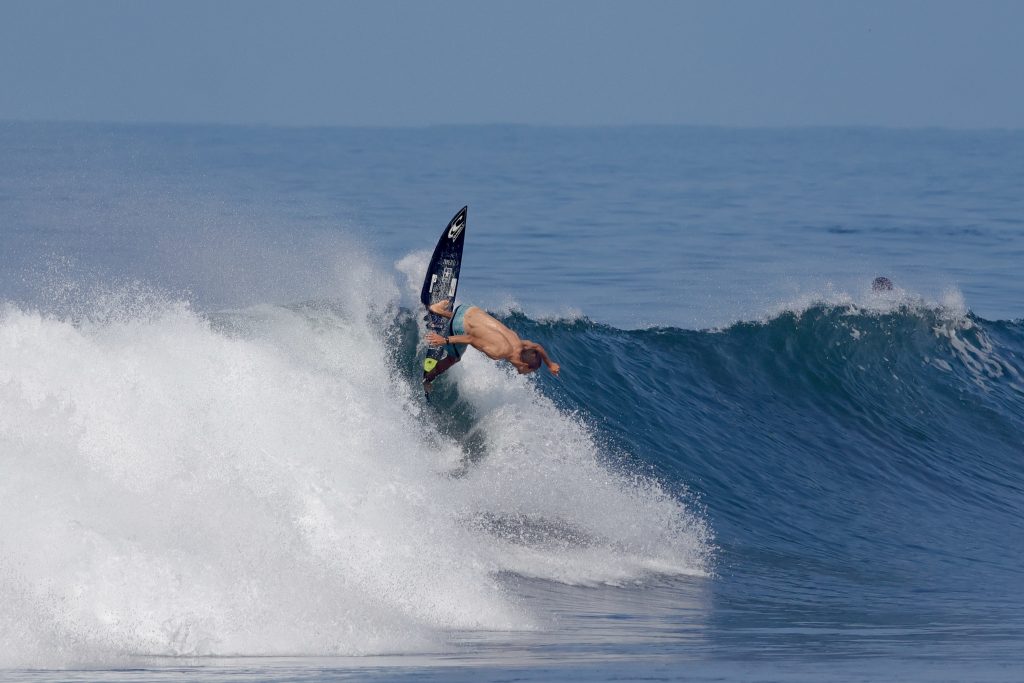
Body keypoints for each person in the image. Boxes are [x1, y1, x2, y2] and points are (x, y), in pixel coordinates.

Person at [423, 299, 560, 385]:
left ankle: (439, 310)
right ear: (525, 365)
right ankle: (427, 379)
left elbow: (537, 347)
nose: (527, 374)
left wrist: (550, 364)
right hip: (458, 325)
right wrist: (444, 340)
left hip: (467, 309)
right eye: (530, 371)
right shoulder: (499, 352)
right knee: (453, 359)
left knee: (480, 326)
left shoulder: (519, 343)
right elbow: (471, 338)